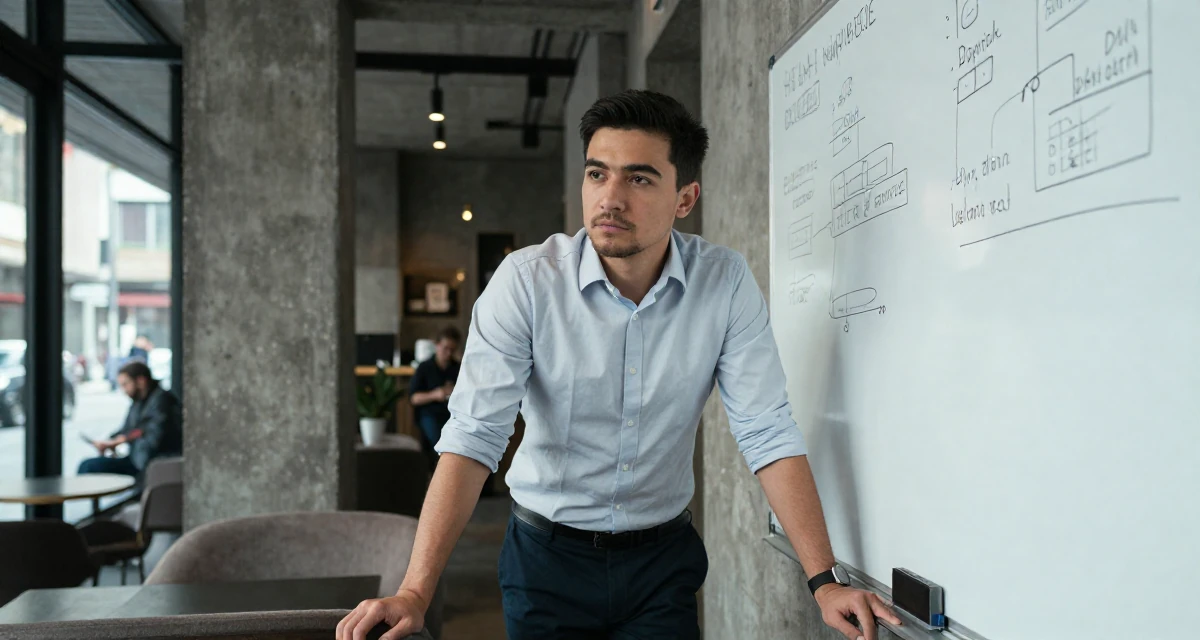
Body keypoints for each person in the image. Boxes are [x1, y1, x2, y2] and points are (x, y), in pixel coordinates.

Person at [337, 91, 901, 640]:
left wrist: (824, 582)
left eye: (638, 177)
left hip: (661, 564)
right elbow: (474, 438)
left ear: (685, 198)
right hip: (545, 560)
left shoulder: (723, 282)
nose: (610, 197)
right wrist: (415, 591)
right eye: (596, 174)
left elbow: (766, 429)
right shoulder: (528, 283)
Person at [79, 361, 181, 478]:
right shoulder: (138, 402)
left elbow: (152, 431)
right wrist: (109, 442)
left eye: (125, 384)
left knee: (88, 467)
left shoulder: (162, 401)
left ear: (141, 381)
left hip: (153, 464)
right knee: (87, 465)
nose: (124, 390)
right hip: (137, 460)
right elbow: (127, 429)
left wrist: (121, 440)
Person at [407, 326, 462, 454]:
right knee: (440, 440)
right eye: (445, 348)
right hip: (429, 413)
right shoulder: (424, 367)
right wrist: (435, 394)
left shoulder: (458, 368)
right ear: (437, 345)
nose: (448, 353)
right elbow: (413, 398)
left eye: (452, 350)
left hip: (453, 414)